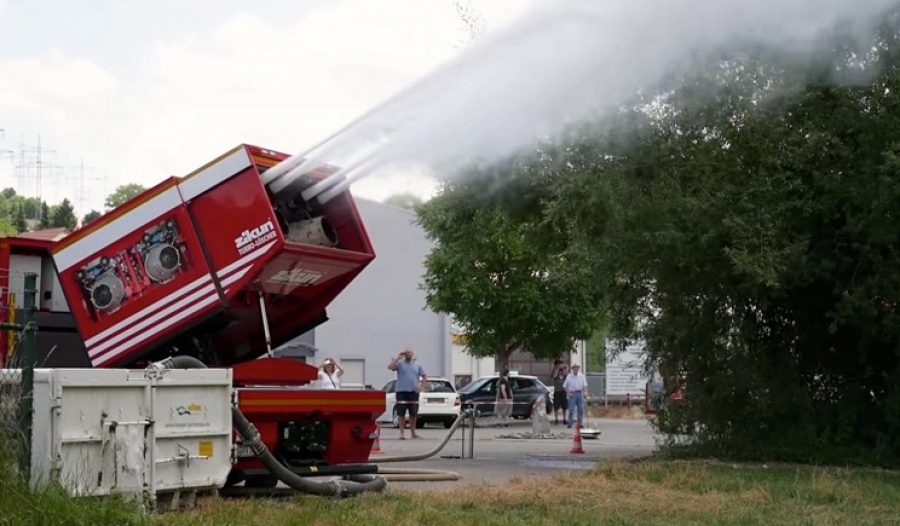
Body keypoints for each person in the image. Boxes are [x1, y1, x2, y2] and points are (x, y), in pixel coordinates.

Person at [388, 348, 427, 439]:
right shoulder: (400, 364)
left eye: (409, 352)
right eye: (406, 352)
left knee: (413, 414)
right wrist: (398, 358)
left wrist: (421, 387)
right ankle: (401, 433)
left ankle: (413, 433)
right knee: (401, 414)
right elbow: (390, 367)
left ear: (412, 354)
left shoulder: (417, 365)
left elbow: (424, 376)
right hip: (401, 392)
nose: (408, 354)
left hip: (413, 392)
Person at [563, 363, 588, 428]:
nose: (576, 369)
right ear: (572, 369)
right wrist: (568, 393)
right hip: (572, 393)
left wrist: (585, 392)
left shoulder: (581, 376)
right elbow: (565, 386)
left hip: (579, 393)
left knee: (580, 409)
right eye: (575, 368)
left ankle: (580, 423)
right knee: (571, 409)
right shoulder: (569, 376)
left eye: (577, 368)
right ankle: (569, 423)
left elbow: (585, 385)